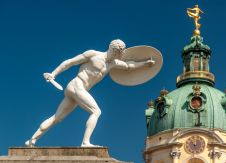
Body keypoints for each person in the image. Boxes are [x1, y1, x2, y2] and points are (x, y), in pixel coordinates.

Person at [25, 39, 155, 147]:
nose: (116, 55)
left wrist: (145, 63)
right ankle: (85, 142)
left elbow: (129, 66)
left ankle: (32, 140)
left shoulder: (113, 63)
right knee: (96, 111)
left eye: (119, 53)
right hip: (77, 85)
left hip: (78, 91)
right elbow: (70, 62)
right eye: (116, 52)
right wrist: (53, 73)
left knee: (57, 118)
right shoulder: (93, 54)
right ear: (111, 49)